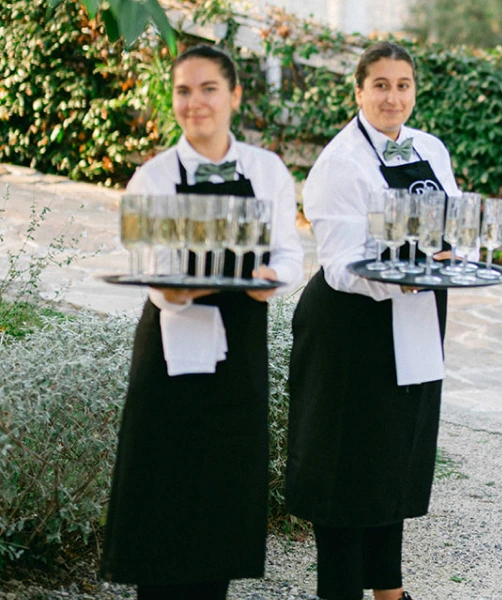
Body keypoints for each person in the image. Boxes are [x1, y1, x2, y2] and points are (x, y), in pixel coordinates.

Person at [100, 45, 304, 599]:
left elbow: (290, 257)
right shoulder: (153, 176)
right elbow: (148, 264)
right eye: (183, 91)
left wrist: (269, 277)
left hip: (239, 350)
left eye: (208, 88)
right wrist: (175, 286)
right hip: (168, 351)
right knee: (161, 495)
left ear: (234, 95)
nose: (195, 103)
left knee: (220, 498)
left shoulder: (267, 170)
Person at [285, 41, 462, 600]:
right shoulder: (341, 163)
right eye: (380, 85)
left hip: (413, 321)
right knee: (343, 470)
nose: (392, 96)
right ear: (358, 91)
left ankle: (389, 593)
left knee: (394, 459)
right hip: (350, 328)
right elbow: (339, 267)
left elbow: (449, 224)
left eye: (402, 84)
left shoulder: (429, 147)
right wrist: (406, 273)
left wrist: (449, 255)